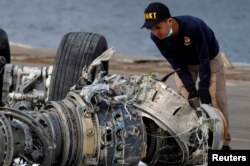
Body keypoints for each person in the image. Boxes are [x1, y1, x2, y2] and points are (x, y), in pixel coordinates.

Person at [141, 2, 231, 149]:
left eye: (158, 27)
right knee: (184, 102)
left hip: (209, 59)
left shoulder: (193, 26)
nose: (155, 32)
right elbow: (175, 64)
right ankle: (190, 141)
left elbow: (204, 58)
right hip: (184, 65)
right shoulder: (156, 37)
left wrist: (203, 87)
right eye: (151, 28)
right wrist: (191, 89)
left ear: (169, 21)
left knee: (217, 102)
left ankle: (225, 143)